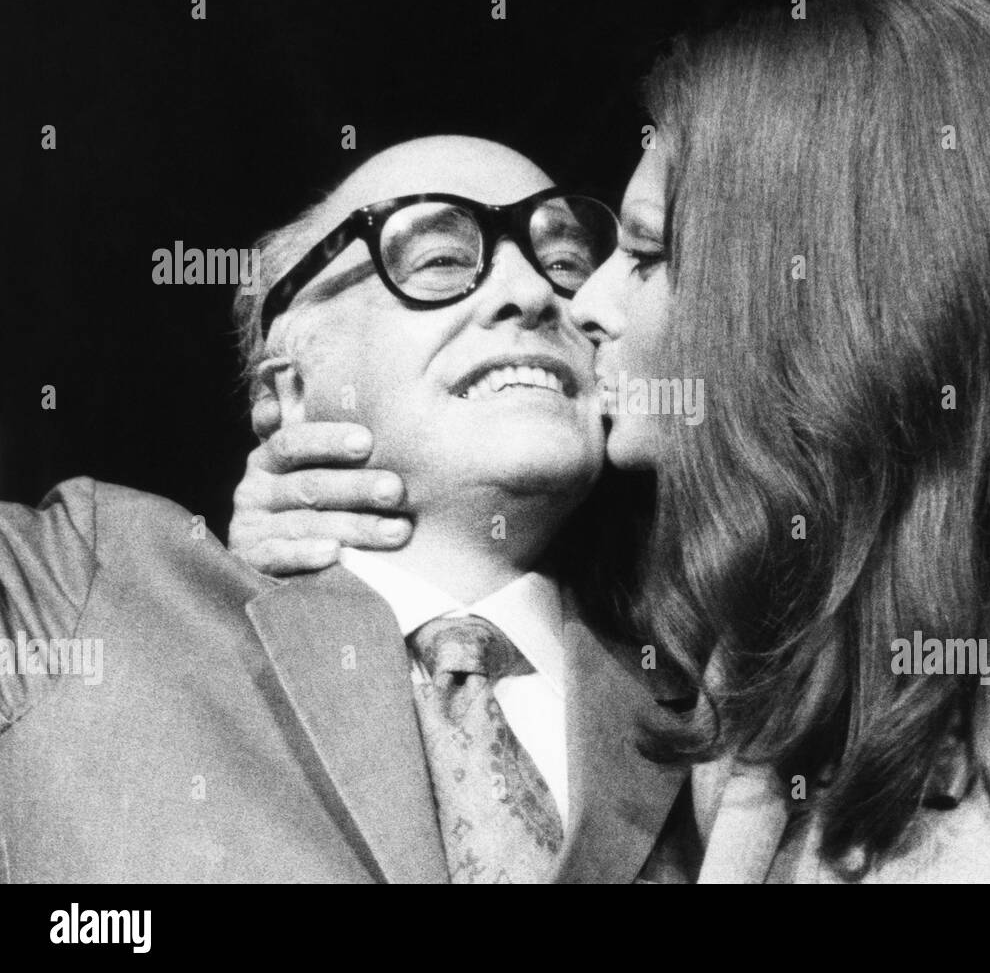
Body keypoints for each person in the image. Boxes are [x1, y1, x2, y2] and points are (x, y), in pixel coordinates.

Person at [229, 0, 990, 883]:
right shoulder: (742, 684)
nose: (583, 303)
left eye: (643, 256)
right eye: (437, 262)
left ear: (805, 299)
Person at [0, 135, 697, 883]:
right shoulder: (78, 582)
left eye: (564, 265)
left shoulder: (733, 684)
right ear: (290, 389)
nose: (531, 295)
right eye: (438, 262)